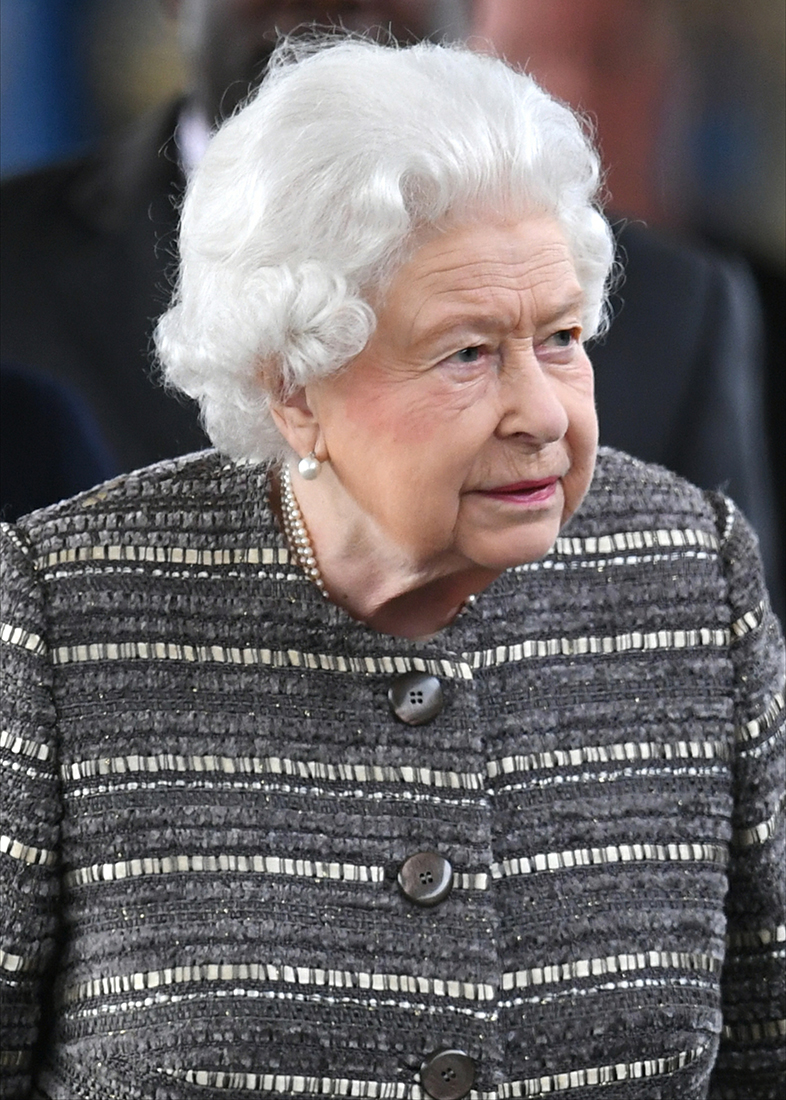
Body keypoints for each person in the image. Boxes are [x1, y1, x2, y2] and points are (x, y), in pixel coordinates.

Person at [1, 38, 783, 1099]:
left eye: (561, 337)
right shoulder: (63, 615)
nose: (544, 413)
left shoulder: (690, 576)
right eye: (468, 353)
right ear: (294, 388)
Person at [468, 0, 784, 620]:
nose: (571, 95)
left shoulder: (714, 305)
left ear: (671, 83)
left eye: (608, 58)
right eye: (526, 63)